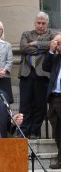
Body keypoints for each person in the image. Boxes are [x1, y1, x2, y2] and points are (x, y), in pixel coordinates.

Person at [18, 11, 56, 139]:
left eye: (43, 23)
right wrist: (42, 48)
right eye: (38, 23)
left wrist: (35, 44)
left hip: (43, 74)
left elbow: (53, 45)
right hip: (26, 73)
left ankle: (35, 131)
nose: (40, 25)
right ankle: (24, 131)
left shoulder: (52, 34)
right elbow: (23, 47)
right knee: (25, 104)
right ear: (35, 23)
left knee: (40, 105)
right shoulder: (26, 34)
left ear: (47, 23)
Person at [42, 33, 61, 169]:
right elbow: (45, 67)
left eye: (59, 42)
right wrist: (50, 50)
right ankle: (61, 159)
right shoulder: (56, 57)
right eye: (56, 42)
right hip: (54, 98)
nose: (58, 45)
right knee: (58, 131)